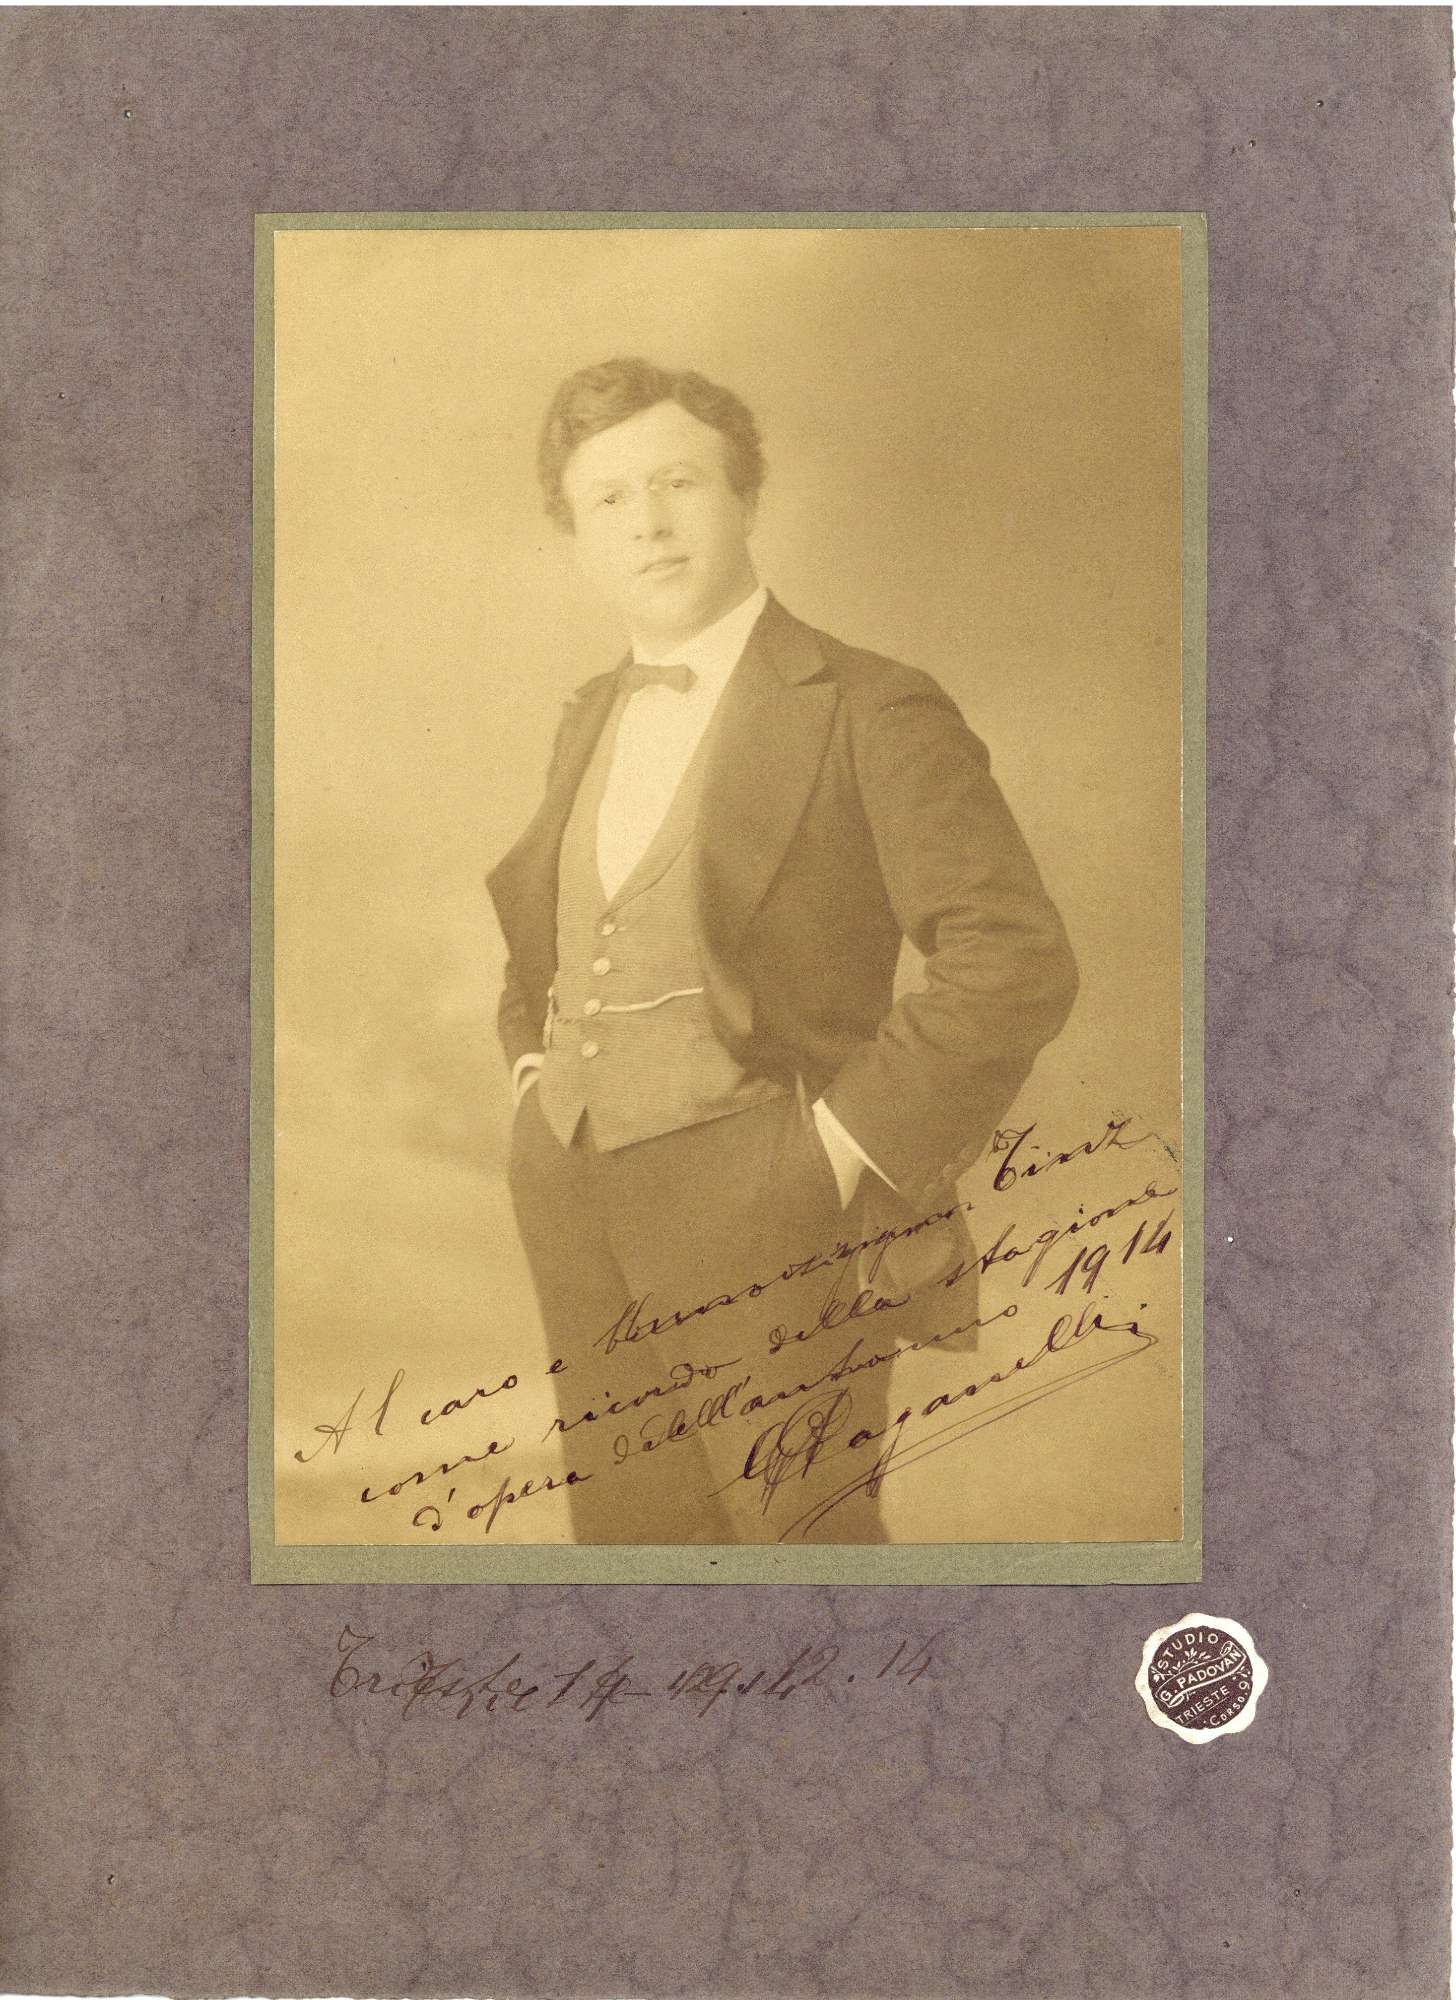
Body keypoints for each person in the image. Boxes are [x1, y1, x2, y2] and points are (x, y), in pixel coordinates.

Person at [487, 356, 1078, 1544]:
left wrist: (832, 1150)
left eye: (678, 483)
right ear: (577, 532)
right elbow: (548, 933)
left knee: (803, 1556)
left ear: (744, 496)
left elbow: (1013, 957)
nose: (647, 523)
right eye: (609, 498)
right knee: (633, 1551)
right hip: (570, 1186)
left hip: (775, 1198)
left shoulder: (869, 703)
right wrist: (532, 1077)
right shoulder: (586, 714)